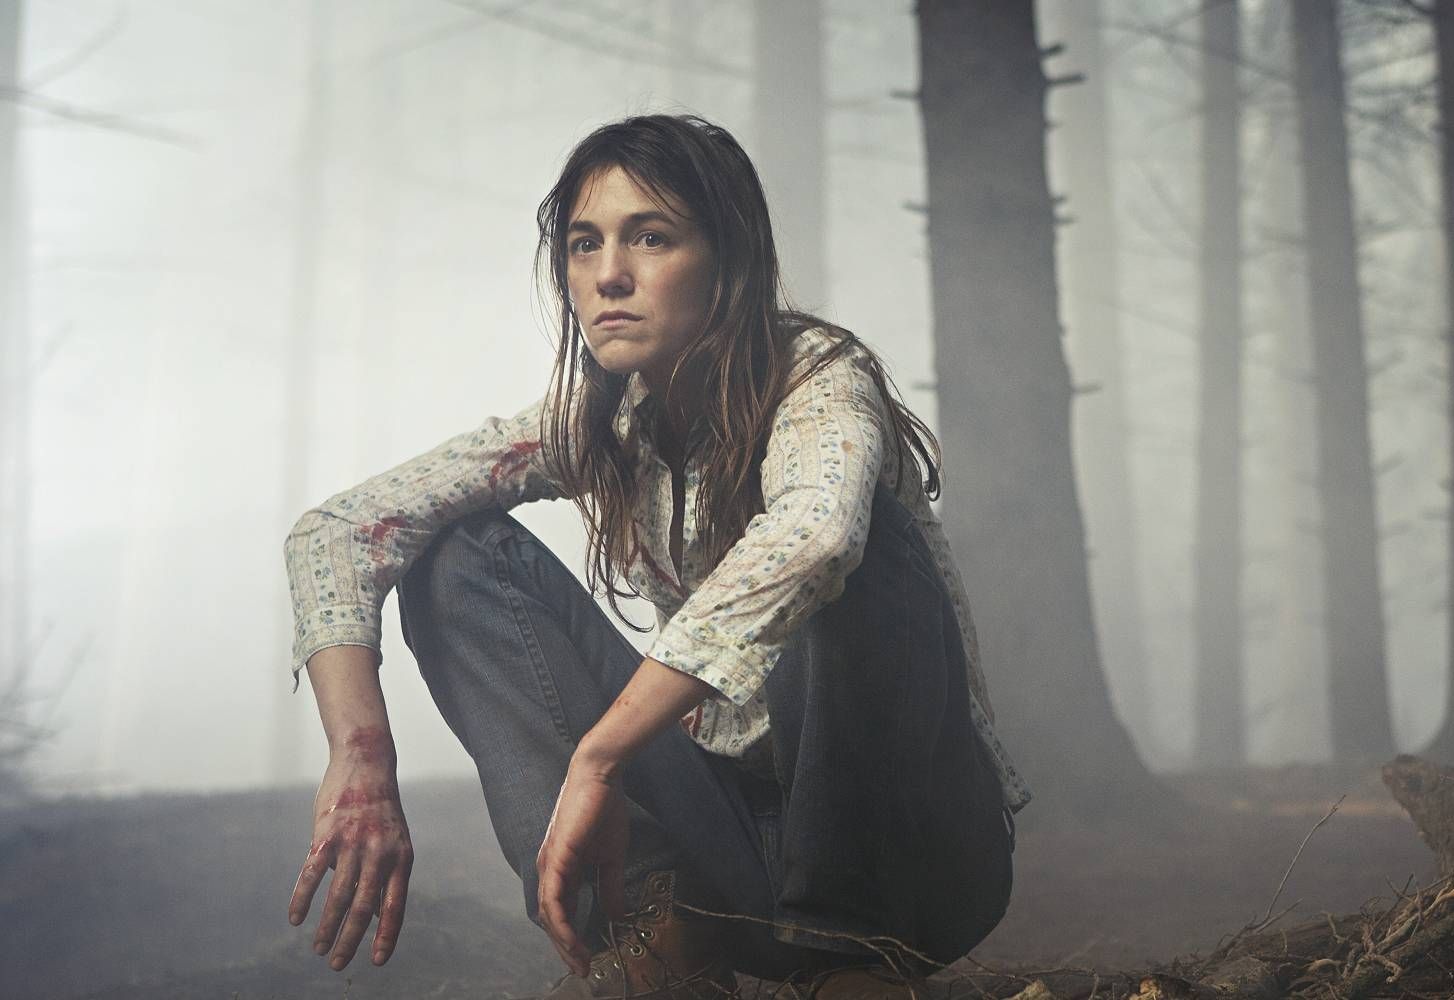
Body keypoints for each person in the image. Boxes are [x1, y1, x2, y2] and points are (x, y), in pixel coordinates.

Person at [280, 113, 1029, 1000]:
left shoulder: (818, 378)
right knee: (453, 556)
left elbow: (817, 536)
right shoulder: (600, 420)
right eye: (584, 244)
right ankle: (660, 935)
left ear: (729, 260)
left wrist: (597, 758)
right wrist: (362, 758)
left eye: (652, 237)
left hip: (918, 862)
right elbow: (343, 527)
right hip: (738, 851)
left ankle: (854, 960)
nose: (609, 277)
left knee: (864, 548)